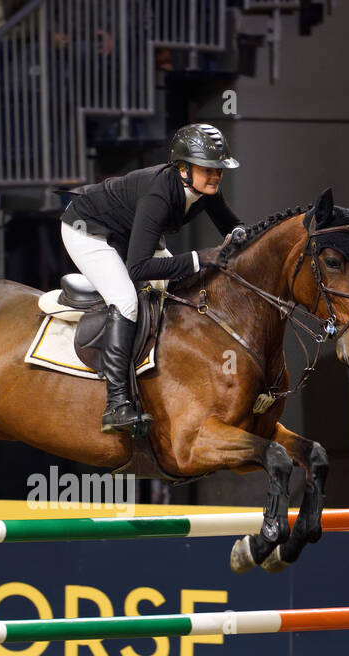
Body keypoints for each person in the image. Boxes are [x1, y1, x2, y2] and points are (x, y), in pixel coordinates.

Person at [59, 123, 246, 434]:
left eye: (218, 169)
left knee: (181, 287)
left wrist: (245, 236)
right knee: (126, 300)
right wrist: (200, 259)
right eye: (208, 169)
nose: (215, 176)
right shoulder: (160, 193)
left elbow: (232, 225)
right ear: (184, 168)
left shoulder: (206, 188)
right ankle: (117, 404)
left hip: (126, 233)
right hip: (87, 230)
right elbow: (138, 268)